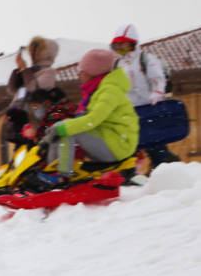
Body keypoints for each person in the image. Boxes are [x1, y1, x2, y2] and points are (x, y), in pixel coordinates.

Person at [39, 49, 139, 182]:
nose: (79, 75)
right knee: (65, 126)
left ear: (92, 72)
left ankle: (62, 176)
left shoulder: (110, 90)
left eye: (81, 71)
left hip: (118, 145)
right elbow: (78, 120)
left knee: (69, 131)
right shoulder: (95, 90)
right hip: (108, 140)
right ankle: (51, 171)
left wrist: (60, 129)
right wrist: (50, 135)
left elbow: (93, 119)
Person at [111, 24, 179, 170]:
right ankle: (128, 177)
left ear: (132, 42)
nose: (119, 45)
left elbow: (157, 79)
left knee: (154, 145)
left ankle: (162, 171)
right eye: (117, 42)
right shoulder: (117, 63)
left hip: (148, 110)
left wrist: (156, 95)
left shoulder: (146, 58)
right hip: (128, 113)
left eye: (122, 41)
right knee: (128, 148)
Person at [4, 36, 60, 144]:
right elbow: (11, 89)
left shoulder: (48, 72)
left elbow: (33, 88)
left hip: (33, 124)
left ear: (46, 52)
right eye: (31, 49)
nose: (32, 53)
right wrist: (19, 70)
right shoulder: (29, 72)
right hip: (18, 123)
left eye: (37, 49)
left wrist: (24, 69)